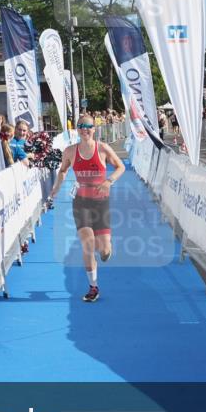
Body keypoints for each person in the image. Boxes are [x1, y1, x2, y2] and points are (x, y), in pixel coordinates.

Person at [47, 114, 125, 303]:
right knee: (88, 244)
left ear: (94, 128)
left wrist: (109, 181)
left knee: (104, 250)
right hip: (81, 203)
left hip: (101, 203)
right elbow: (64, 170)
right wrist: (56, 187)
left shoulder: (103, 149)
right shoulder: (70, 151)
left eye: (88, 126)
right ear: (77, 129)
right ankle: (93, 287)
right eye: (81, 126)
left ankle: (107, 249)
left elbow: (120, 166)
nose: (85, 129)